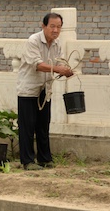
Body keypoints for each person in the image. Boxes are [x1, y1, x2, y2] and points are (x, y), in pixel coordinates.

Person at [16, 12, 73, 170]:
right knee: (27, 127)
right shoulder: (33, 41)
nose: (55, 30)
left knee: (43, 125)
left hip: (45, 89)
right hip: (28, 89)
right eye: (52, 26)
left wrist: (65, 70)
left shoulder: (57, 44)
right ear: (43, 26)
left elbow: (58, 62)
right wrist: (58, 68)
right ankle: (27, 161)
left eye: (59, 27)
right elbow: (38, 65)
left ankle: (44, 159)